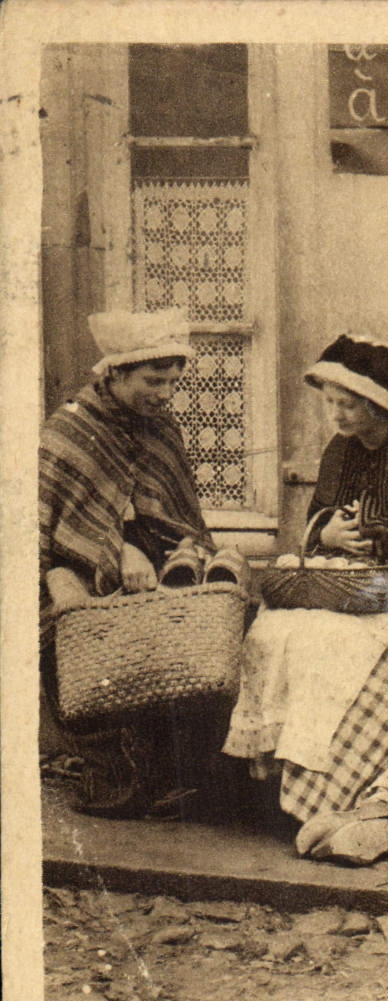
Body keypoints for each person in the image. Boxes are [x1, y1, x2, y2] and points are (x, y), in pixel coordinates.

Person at [222, 335, 388, 864]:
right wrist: (329, 536)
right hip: (349, 582)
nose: (337, 415)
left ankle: (342, 800)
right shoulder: (341, 450)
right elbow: (319, 517)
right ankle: (280, 793)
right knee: (278, 631)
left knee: (336, 647)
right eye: (330, 403)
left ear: (379, 405)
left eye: (347, 405)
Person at [40, 307, 244, 817]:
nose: (165, 393)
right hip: (84, 581)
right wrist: (117, 551)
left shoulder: (161, 427)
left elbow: (176, 516)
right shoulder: (69, 433)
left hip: (161, 575)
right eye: (155, 381)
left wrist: (173, 551)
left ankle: (185, 776)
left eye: (174, 382)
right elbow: (46, 531)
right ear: (115, 373)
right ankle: (120, 772)